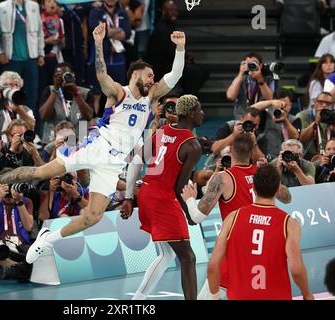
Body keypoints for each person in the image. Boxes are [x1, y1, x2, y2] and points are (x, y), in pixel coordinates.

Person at [0, 22, 187, 264]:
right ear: (136, 75)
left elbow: (174, 76)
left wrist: (181, 49)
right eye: (150, 75)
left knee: (93, 216)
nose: (154, 79)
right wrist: (99, 43)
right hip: (97, 146)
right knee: (41, 172)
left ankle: (49, 238)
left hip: (114, 162)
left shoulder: (151, 95)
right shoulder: (118, 92)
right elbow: (101, 74)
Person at [181, 134, 291, 298]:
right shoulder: (262, 174)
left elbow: (197, 217)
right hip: (261, 250)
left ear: (231, 151)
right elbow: (287, 198)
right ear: (252, 152)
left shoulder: (223, 178)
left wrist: (189, 199)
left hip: (235, 250)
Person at [121, 95, 205, 300]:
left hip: (148, 192)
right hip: (162, 199)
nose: (203, 113)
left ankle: (137, 300)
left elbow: (138, 160)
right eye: (200, 109)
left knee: (167, 254)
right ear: (192, 113)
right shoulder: (192, 145)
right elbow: (179, 187)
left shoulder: (163, 131)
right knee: (188, 257)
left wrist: (129, 197)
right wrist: (190, 214)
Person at [207, 164, 314, 300]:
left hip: (240, 296)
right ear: (277, 189)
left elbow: (213, 265)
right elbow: (297, 269)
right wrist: (307, 294)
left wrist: (215, 296)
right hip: (276, 296)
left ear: (254, 188)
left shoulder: (233, 217)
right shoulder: (289, 223)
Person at [0, 0, 45, 114]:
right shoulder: (2, 7)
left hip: (31, 59)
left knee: (32, 93)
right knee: (9, 93)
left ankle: (30, 122)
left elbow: (40, 32)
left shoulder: (34, 6)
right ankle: (10, 123)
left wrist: (41, 53)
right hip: (11, 59)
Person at [88, 0, 132, 114]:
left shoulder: (123, 13)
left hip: (118, 60)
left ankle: (119, 120)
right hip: (100, 59)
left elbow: (127, 34)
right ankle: (94, 124)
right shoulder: (96, 12)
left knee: (120, 93)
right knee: (96, 94)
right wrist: (118, 31)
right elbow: (95, 29)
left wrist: (107, 32)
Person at [39, 62, 94, 144]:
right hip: (53, 140)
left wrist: (76, 93)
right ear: (54, 77)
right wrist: (55, 89)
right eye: (59, 75)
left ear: (73, 75)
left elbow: (89, 116)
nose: (63, 78)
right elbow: (44, 116)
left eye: (66, 75)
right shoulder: (49, 91)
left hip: (80, 140)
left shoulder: (85, 92)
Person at [252, 90, 300, 160]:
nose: (282, 108)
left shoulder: (295, 119)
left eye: (285, 105)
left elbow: (295, 137)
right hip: (267, 158)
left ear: (291, 105)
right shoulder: (266, 116)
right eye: (280, 105)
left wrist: (285, 121)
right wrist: (270, 102)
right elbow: (251, 110)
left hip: (289, 158)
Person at [226, 53, 274, 120]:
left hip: (263, 118)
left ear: (260, 65)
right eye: (248, 63)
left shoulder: (268, 79)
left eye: (254, 63)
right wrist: (240, 74)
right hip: (242, 117)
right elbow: (230, 96)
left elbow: (270, 99)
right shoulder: (240, 79)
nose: (251, 65)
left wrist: (260, 79)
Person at [297, 91, 334, 160]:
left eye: (328, 103)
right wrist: (315, 122)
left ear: (332, 105)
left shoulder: (332, 116)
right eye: (321, 102)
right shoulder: (303, 116)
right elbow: (300, 139)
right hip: (308, 156)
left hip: (330, 156)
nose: (324, 105)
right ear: (315, 103)